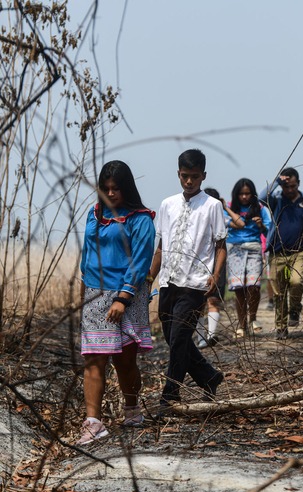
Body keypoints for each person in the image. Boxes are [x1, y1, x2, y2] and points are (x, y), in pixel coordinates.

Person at [77, 160, 156, 444]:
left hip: (126, 296)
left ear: (127, 189)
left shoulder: (140, 219)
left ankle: (133, 408)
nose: (111, 194)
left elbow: (140, 260)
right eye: (106, 189)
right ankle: (94, 423)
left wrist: (122, 298)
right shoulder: (93, 214)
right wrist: (84, 287)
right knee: (93, 358)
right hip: (94, 295)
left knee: (124, 361)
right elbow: (87, 253)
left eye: (116, 189)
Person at [148, 149, 227, 411]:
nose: (189, 181)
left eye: (194, 176)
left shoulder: (212, 206)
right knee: (173, 338)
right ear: (178, 174)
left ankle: (170, 397)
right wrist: (151, 276)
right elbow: (161, 246)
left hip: (195, 283)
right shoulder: (167, 204)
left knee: (180, 338)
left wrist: (215, 277)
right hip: (169, 282)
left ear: (203, 176)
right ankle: (209, 376)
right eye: (185, 176)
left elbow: (220, 246)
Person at [260, 167, 303, 340]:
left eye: (293, 186)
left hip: (299, 253)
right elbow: (262, 197)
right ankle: (281, 328)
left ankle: (295, 309)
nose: (290, 190)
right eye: (286, 187)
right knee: (279, 293)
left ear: (298, 184)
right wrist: (277, 181)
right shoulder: (277, 200)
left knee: (296, 281)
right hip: (278, 253)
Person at [225, 178, 271, 337]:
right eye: (241, 194)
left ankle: (253, 318)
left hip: (254, 248)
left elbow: (268, 232)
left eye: (247, 194)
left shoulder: (260, 209)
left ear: (252, 194)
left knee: (254, 286)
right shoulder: (229, 208)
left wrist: (261, 226)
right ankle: (241, 323)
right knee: (239, 289)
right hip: (235, 249)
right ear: (236, 195)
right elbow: (227, 225)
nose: (244, 197)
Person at [197, 187, 227, 349]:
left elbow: (221, 245)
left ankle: (210, 335)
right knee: (199, 303)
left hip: (216, 266)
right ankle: (203, 337)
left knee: (212, 300)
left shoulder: (221, 219)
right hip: (199, 266)